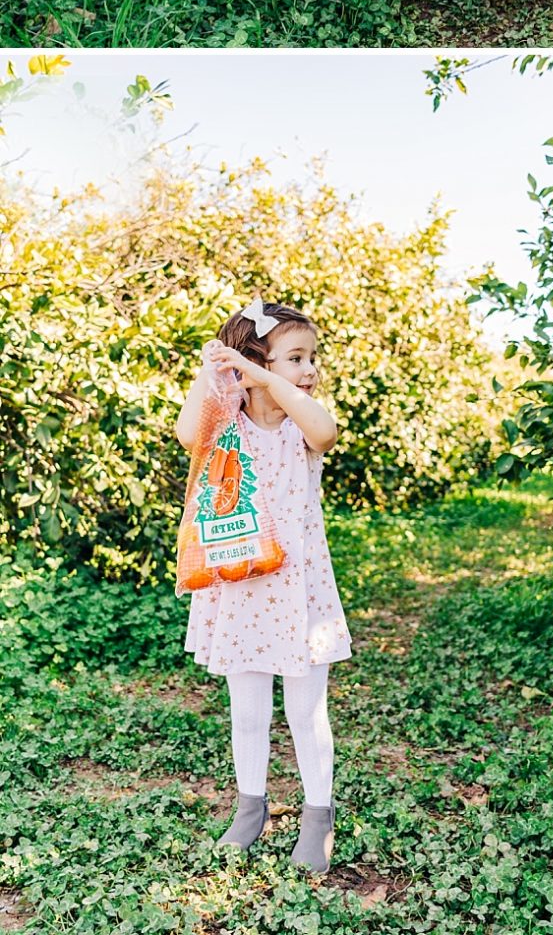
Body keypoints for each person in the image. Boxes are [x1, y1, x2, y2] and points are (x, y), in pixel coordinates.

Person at [177, 302, 350, 876]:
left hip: (300, 596)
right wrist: (215, 373)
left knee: (306, 711)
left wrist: (273, 375)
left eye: (311, 358)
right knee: (248, 713)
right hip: (241, 589)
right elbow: (185, 433)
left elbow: (325, 429)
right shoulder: (226, 428)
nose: (308, 370)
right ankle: (251, 808)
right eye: (295, 358)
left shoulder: (303, 430)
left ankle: (317, 817)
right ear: (253, 364)